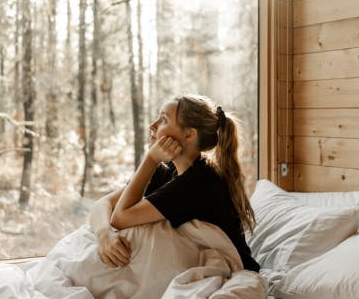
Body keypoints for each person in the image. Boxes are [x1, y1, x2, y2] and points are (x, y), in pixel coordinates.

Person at [88, 94, 260, 272]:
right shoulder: (167, 170)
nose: (152, 126)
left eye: (163, 119)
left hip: (235, 268)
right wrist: (103, 233)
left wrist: (151, 159)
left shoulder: (198, 183)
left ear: (189, 134)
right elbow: (103, 203)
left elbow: (119, 218)